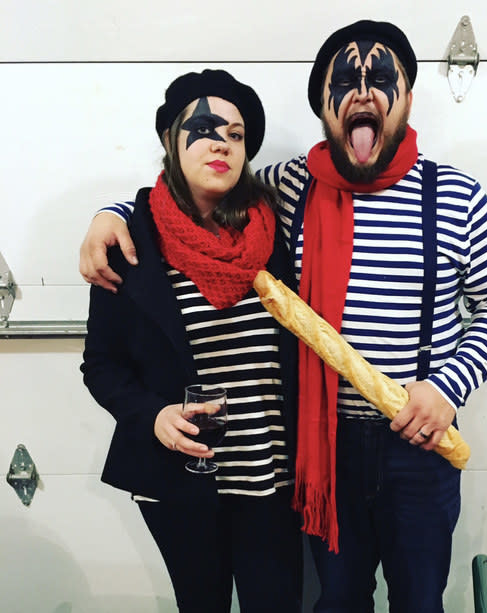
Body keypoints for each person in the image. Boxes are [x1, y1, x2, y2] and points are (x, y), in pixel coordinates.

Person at [79, 20, 487, 613]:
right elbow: (190, 202)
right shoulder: (287, 190)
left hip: (418, 444)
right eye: (344, 80)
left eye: (381, 77)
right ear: (323, 105)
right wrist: (110, 214)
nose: (363, 91)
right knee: (338, 600)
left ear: (409, 101)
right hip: (323, 446)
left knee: (420, 600)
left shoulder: (458, 194)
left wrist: (448, 388)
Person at [80, 69, 302, 613]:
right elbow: (100, 366)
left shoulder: (272, 232)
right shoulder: (130, 245)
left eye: (235, 133)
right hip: (177, 482)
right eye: (202, 128)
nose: (220, 143)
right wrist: (151, 413)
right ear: (168, 141)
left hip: (271, 480)